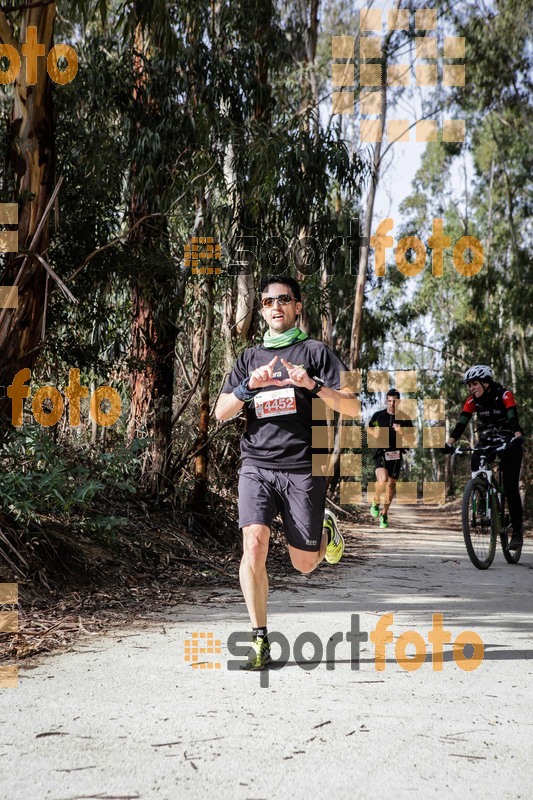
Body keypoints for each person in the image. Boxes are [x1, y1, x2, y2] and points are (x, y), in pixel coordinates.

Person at [215, 275, 358, 670]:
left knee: (305, 564)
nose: (275, 306)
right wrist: (246, 388)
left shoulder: (316, 352)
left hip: (304, 468)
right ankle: (260, 639)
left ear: (298, 306)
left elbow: (355, 405)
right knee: (254, 547)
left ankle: (324, 530)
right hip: (257, 466)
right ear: (261, 309)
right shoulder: (248, 359)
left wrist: (313, 386)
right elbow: (220, 411)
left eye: (283, 299)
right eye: (267, 301)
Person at [445, 365, 525, 550]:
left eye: (474, 384)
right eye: (469, 385)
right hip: (487, 441)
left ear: (486, 382)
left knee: (510, 486)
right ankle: (482, 501)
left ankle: (517, 533)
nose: (471, 388)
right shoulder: (472, 401)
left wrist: (517, 435)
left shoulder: (504, 395)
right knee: (476, 463)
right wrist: (449, 443)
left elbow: (513, 418)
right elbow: (461, 423)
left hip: (509, 440)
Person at [368, 388, 415, 529]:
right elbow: (369, 427)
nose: (392, 404)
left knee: (390, 487)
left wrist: (401, 431)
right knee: (382, 481)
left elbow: (412, 439)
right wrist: (374, 433)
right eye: (389, 401)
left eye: (394, 401)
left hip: (396, 455)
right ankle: (375, 501)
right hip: (382, 452)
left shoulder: (405, 419)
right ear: (386, 401)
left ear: (399, 401)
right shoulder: (378, 416)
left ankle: (384, 514)